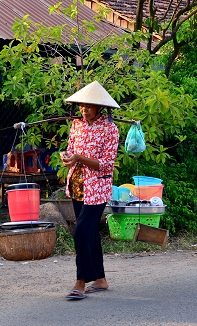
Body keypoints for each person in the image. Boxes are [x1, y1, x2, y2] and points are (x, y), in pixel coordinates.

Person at [60, 81, 120, 300]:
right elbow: (70, 150)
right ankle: (101, 279)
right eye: (82, 106)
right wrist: (67, 158)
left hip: (98, 188)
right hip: (78, 184)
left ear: (99, 108)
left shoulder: (110, 129)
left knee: (81, 233)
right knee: (91, 233)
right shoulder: (77, 125)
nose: (84, 109)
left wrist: (80, 158)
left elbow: (106, 164)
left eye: (89, 106)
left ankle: (80, 282)